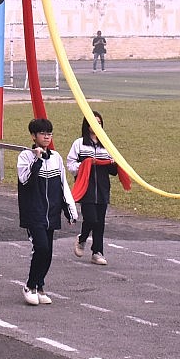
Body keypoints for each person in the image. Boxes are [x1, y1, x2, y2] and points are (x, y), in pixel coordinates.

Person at [16, 118, 78, 306]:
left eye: (49, 134)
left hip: (51, 213)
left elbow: (62, 185)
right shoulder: (25, 157)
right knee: (40, 247)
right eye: (43, 133)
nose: (46, 137)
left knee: (48, 252)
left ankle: (40, 284)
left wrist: (69, 210)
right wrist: (37, 159)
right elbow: (26, 180)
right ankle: (29, 285)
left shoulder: (56, 157)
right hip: (34, 212)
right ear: (33, 136)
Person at [66, 112, 120, 266]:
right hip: (86, 187)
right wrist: (86, 164)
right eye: (94, 122)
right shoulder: (79, 144)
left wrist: (112, 163)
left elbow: (114, 169)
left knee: (100, 222)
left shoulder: (107, 144)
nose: (97, 125)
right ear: (87, 124)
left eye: (99, 122)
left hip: (102, 188)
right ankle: (82, 239)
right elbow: (71, 165)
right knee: (91, 218)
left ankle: (97, 252)